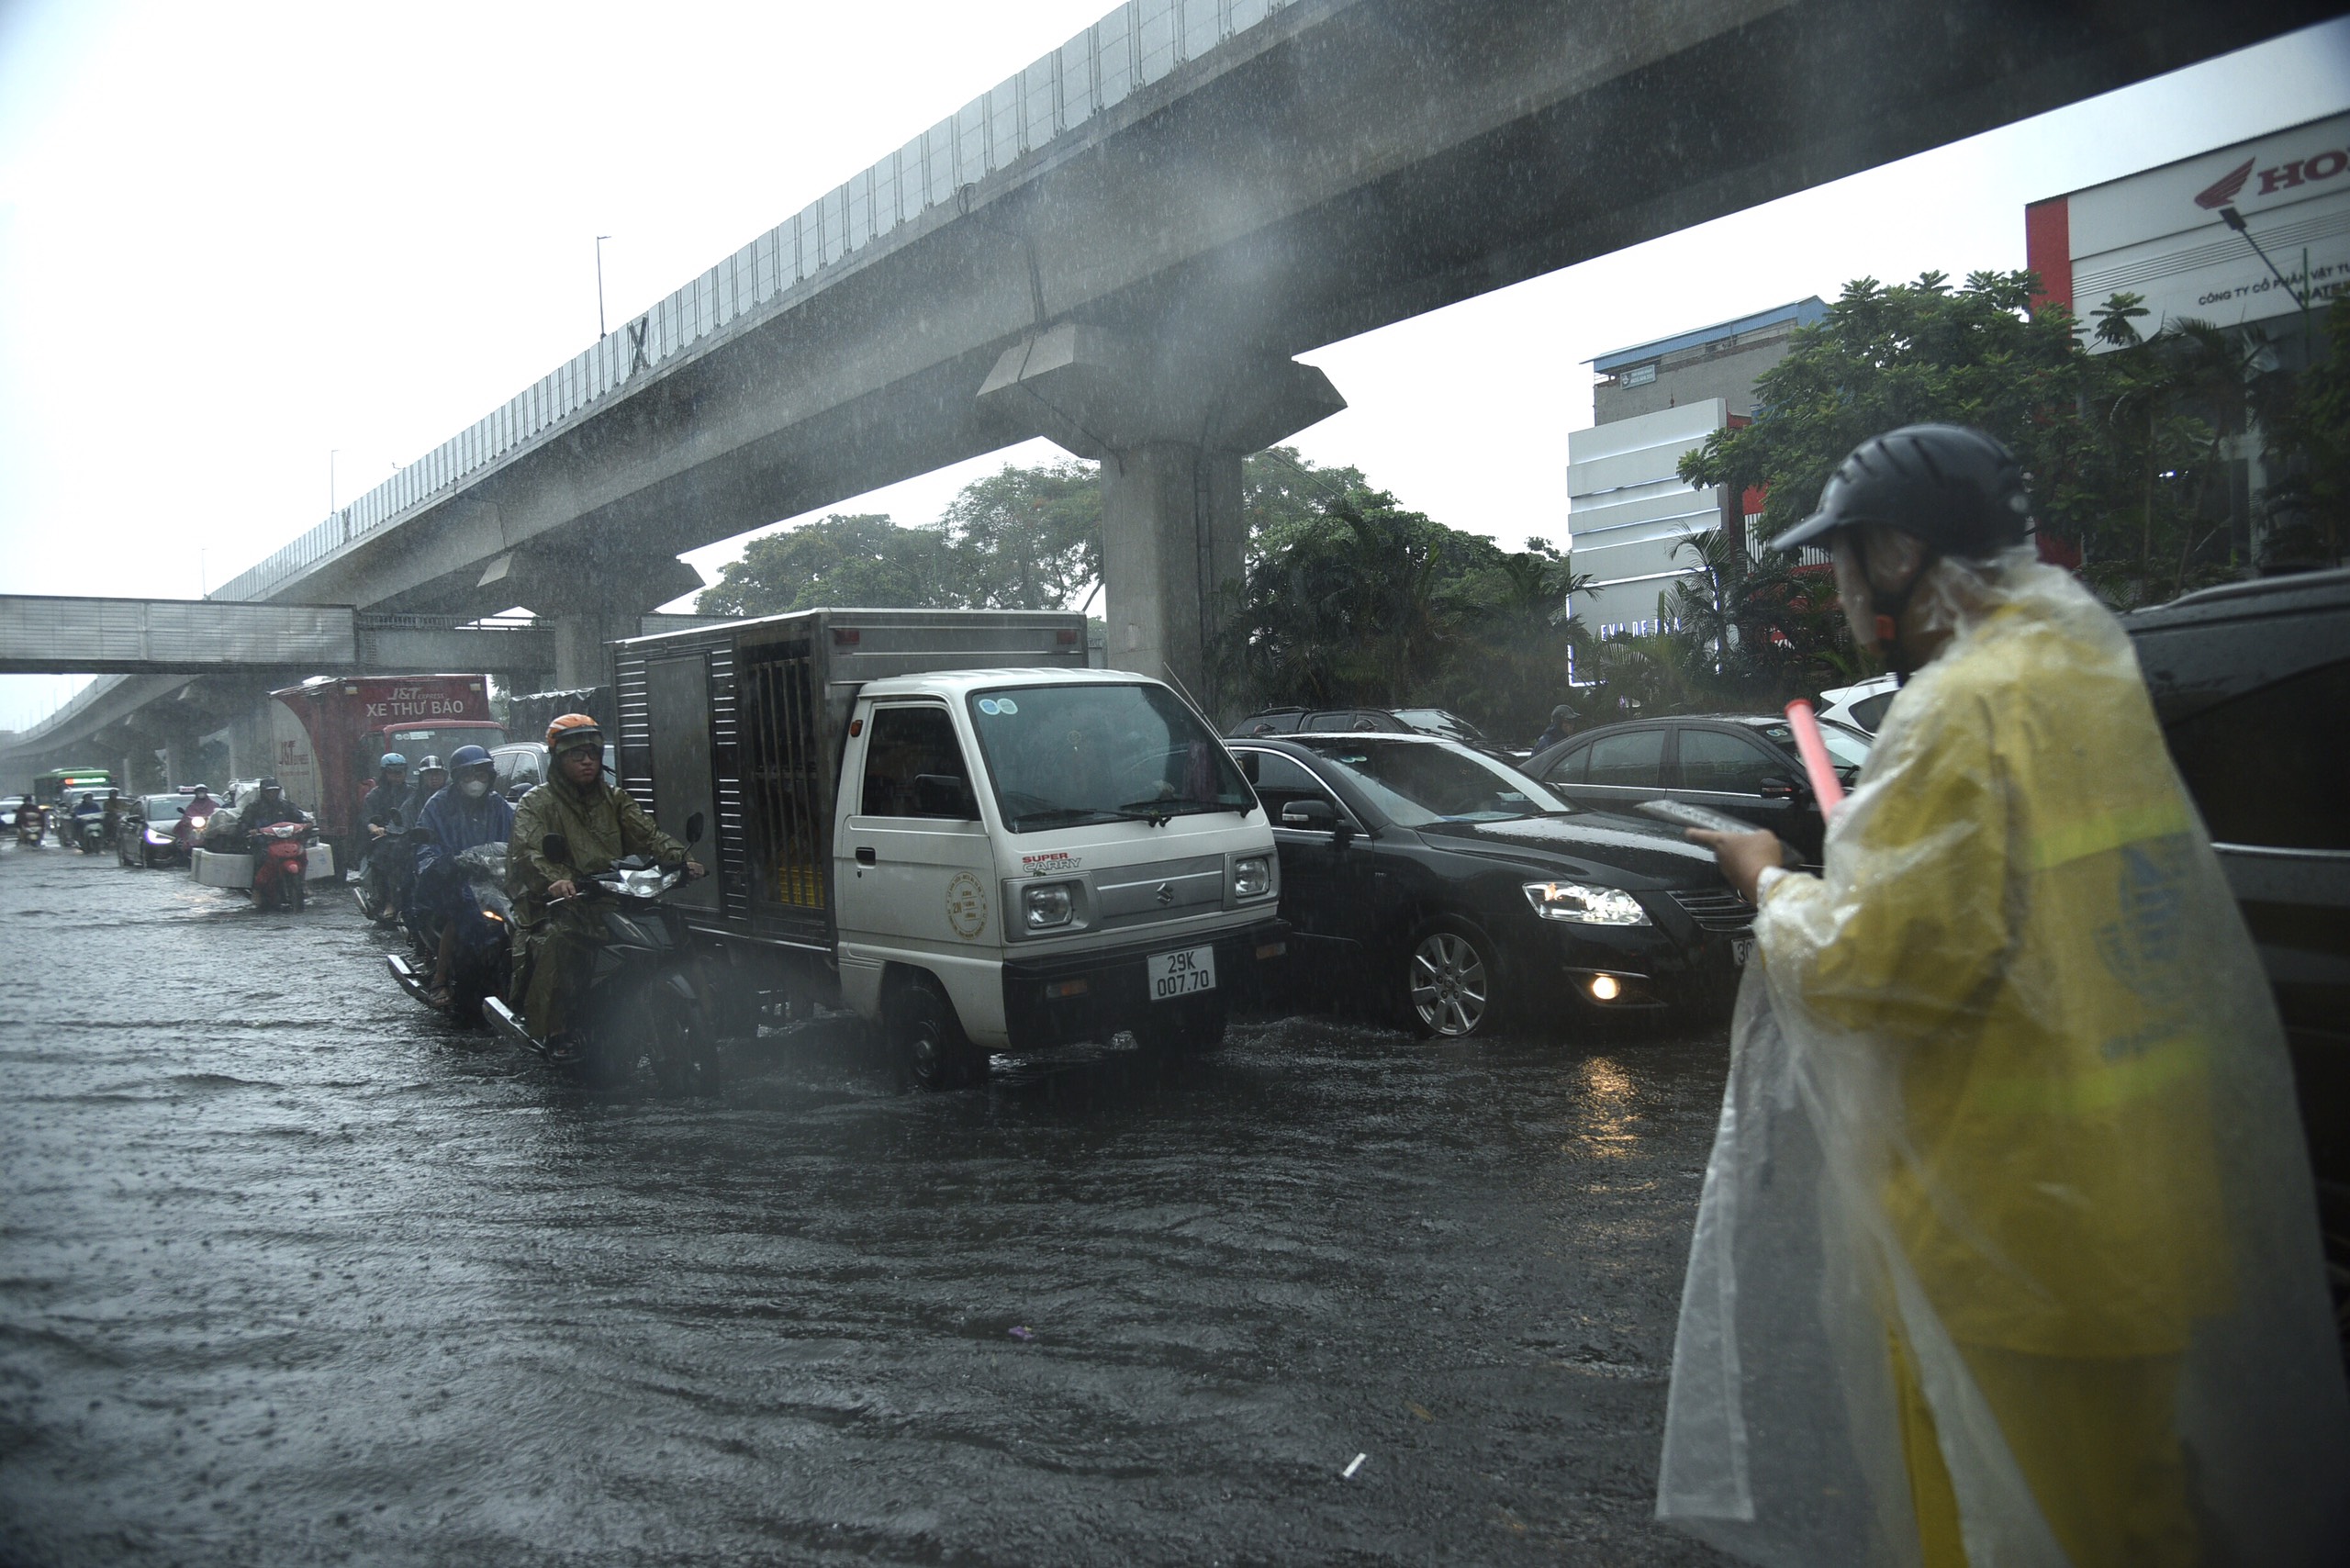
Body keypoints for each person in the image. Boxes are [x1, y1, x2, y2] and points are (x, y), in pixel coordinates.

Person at [1654, 425, 2349, 1566]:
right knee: (2135, 1517)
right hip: (2146, 1207)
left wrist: (1771, 882)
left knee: (2013, 1525)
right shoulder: (2082, 667)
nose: (1834, 591)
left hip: (2015, 1232)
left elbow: (1875, 964)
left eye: (1839, 563)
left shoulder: (1958, 709)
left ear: (1895, 557)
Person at [507, 715, 703, 1058]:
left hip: (617, 892)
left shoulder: (615, 799)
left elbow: (649, 834)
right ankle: (556, 1027)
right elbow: (529, 851)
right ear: (559, 759)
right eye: (576, 755)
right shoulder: (536, 803)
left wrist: (679, 859)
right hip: (562, 902)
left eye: (593, 754)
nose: (587, 761)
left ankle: (705, 1004)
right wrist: (556, 880)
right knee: (560, 939)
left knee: (673, 923)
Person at [410, 745, 514, 1007]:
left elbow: (518, 837)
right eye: (469, 775)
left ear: (490, 776)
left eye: (481, 775)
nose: (475, 782)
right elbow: (425, 843)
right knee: (459, 916)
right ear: (457, 778)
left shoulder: (498, 805)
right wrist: (441, 863)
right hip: (455, 879)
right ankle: (440, 978)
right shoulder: (438, 805)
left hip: (496, 878)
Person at [237, 778, 308, 909]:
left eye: (275, 791)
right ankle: (257, 889)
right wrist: (249, 831)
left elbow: (299, 818)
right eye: (269, 791)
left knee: (302, 855)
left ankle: (302, 883)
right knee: (260, 860)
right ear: (263, 792)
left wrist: (305, 825)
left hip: (288, 842)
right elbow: (243, 824)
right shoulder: (254, 808)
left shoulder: (287, 806)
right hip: (264, 844)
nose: (272, 794)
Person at [359, 753, 411, 924]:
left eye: (400, 772)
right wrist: (375, 828)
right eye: (392, 772)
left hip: (408, 837)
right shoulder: (375, 795)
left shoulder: (413, 793)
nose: (397, 776)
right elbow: (367, 817)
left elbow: (422, 811)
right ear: (384, 773)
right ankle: (388, 901)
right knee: (384, 861)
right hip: (384, 840)